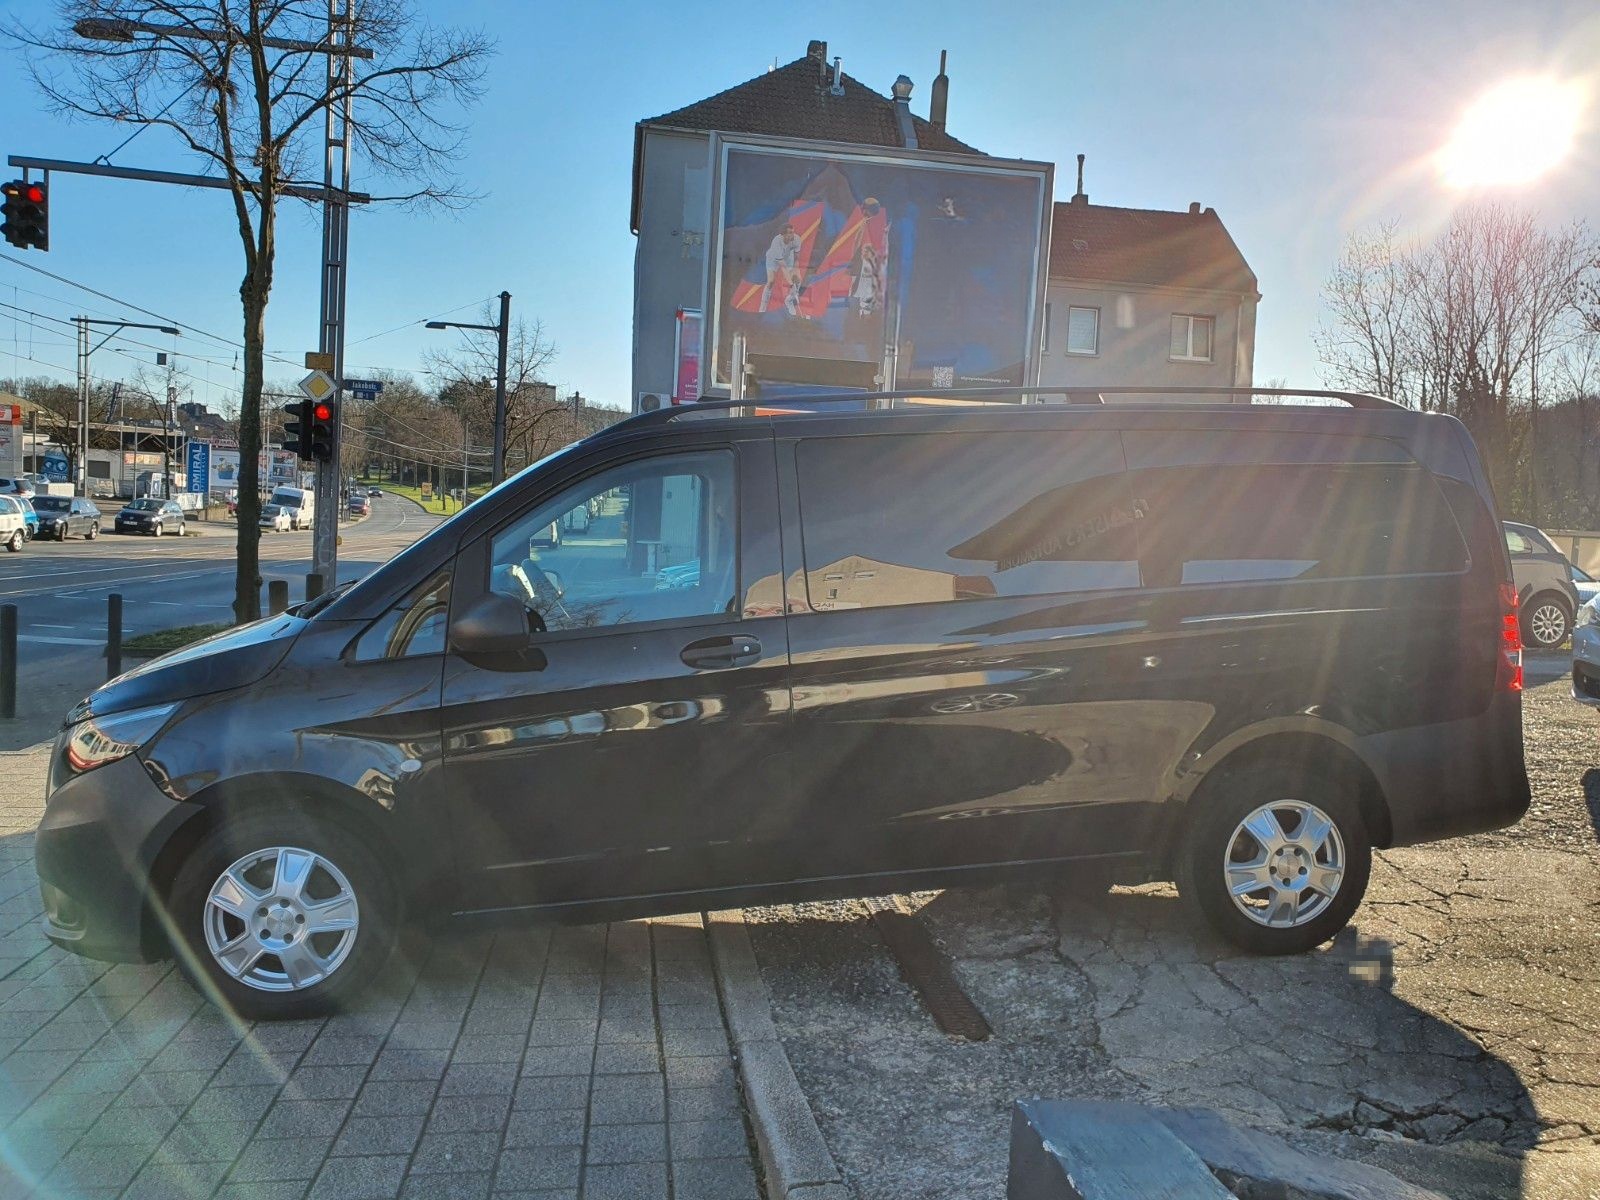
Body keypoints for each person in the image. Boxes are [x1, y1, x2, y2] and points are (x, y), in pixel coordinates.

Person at [758, 223, 805, 316]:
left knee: (798, 279)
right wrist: (791, 285)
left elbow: (796, 260)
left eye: (793, 232)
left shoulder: (796, 239)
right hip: (773, 259)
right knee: (771, 281)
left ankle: (789, 300)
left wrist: (796, 274)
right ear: (783, 234)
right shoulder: (776, 242)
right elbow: (783, 267)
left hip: (788, 257)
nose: (793, 235)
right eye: (790, 233)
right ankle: (762, 307)